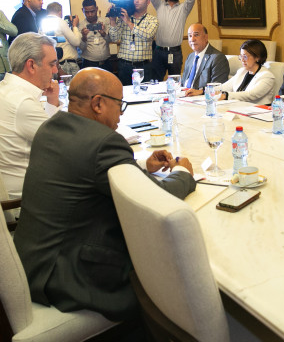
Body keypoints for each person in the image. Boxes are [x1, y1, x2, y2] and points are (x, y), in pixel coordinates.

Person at [13, 68, 196, 322]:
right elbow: (156, 199)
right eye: (119, 105)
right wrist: (183, 172)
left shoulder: (49, 127)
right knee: (171, 280)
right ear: (98, 104)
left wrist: (141, 165)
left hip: (31, 260)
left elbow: (90, 168)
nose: (121, 114)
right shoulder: (104, 142)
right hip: (66, 275)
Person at [0, 33, 60, 197]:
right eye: (52, 64)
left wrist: (52, 101)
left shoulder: (3, 87)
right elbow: (63, 146)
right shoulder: (22, 102)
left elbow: (50, 132)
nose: (55, 70)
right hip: (29, 196)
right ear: (31, 65)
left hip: (12, 186)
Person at [147, 0, 196, 81]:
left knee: (174, 82)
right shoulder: (159, 5)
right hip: (158, 51)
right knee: (155, 82)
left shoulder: (184, 8)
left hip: (175, 53)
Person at [188, 39, 275, 105]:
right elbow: (225, 87)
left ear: (257, 57)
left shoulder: (267, 76)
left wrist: (225, 95)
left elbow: (250, 95)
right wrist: (202, 91)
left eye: (245, 57)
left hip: (259, 113)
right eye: (241, 56)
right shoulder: (242, 71)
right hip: (239, 109)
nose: (242, 60)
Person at [108, 0, 157, 86]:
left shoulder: (152, 20)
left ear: (148, 2)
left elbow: (147, 35)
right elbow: (114, 38)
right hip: (124, 65)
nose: (136, 1)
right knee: (125, 93)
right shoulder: (123, 18)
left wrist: (128, 22)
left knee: (144, 93)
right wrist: (112, 21)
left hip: (143, 66)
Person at [180, 23, 228, 90]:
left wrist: (199, 92)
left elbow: (217, 87)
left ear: (206, 37)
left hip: (201, 95)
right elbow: (182, 83)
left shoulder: (218, 58)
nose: (192, 39)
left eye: (196, 35)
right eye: (190, 36)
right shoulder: (190, 57)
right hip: (183, 94)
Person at [41, 1, 81, 76]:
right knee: (74, 84)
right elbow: (76, 42)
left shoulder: (42, 24)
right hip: (66, 64)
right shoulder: (61, 22)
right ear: (60, 12)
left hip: (52, 64)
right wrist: (75, 26)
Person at [77, 0, 111, 69]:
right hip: (89, 63)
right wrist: (84, 37)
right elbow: (82, 48)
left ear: (97, 9)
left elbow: (111, 41)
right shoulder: (80, 26)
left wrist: (103, 33)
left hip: (106, 63)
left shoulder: (105, 21)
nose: (90, 14)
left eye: (92, 11)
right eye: (86, 12)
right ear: (82, 10)